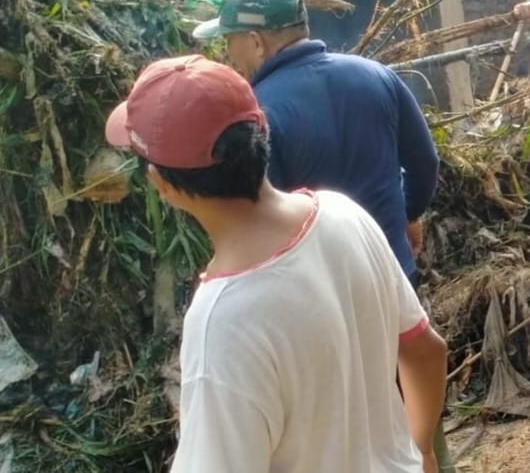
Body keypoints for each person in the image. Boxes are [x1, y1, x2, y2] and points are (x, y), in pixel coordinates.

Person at [104, 55, 448, 473]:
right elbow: (426, 350)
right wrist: (422, 449)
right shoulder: (345, 215)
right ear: (261, 131)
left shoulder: (222, 324)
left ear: (161, 184)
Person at [191, 0, 454, 467]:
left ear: (256, 41)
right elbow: (424, 164)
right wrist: (408, 216)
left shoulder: (258, 114)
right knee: (412, 394)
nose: (227, 54)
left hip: (312, 298)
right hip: (390, 273)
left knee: (344, 416)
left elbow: (262, 217)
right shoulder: (375, 75)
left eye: (228, 41)